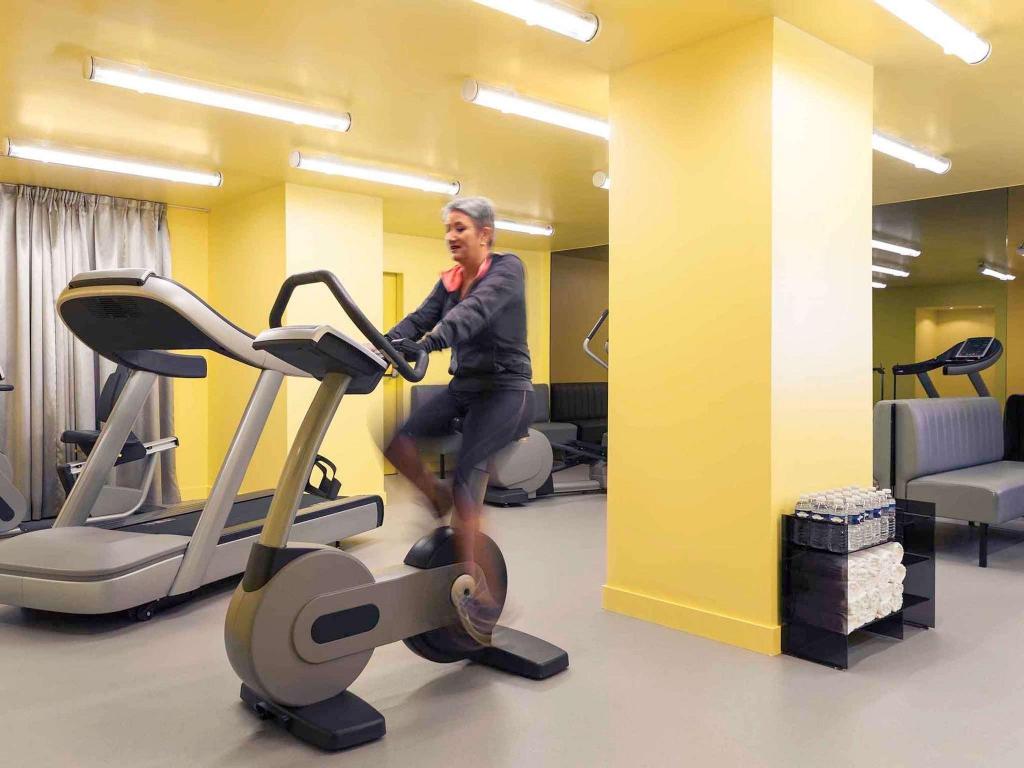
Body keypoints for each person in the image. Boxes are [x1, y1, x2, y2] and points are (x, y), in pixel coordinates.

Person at [384, 196, 533, 645]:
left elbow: (475, 312)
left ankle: (482, 594)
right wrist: (383, 344)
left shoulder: (507, 270)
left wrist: (430, 343)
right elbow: (419, 319)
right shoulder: (449, 281)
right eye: (448, 228)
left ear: (485, 234)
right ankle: (436, 496)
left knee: (469, 477)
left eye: (460, 228)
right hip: (465, 387)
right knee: (397, 439)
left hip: (506, 390)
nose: (451, 236)